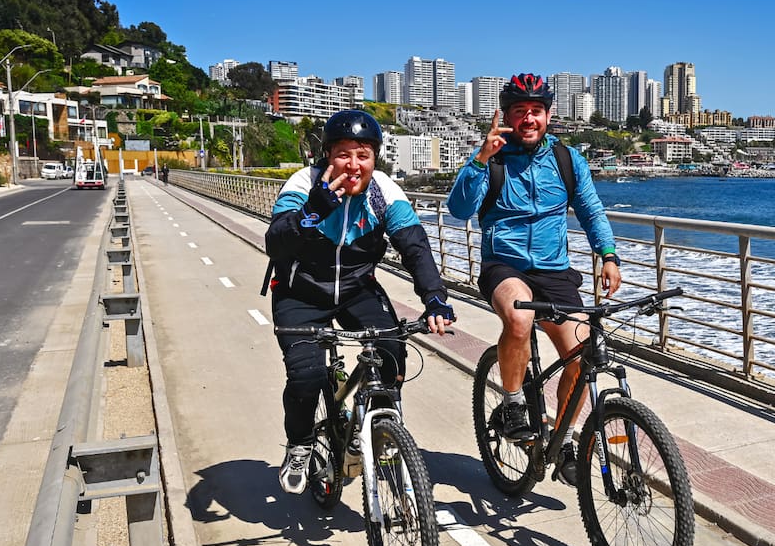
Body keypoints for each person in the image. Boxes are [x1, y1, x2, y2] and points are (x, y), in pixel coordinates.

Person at [265, 109, 455, 494]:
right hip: (300, 292)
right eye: (344, 154)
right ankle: (300, 444)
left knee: (391, 348)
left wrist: (434, 299)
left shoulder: (383, 191)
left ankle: (379, 427)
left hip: (356, 289)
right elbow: (275, 240)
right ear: (328, 156)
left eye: (363, 155)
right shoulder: (304, 184)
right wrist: (311, 213)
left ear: (375, 159)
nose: (353, 165)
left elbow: (414, 245)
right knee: (306, 375)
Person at [447, 73, 621, 486]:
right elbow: (458, 210)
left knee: (583, 353)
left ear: (548, 115)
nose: (529, 119)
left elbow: (592, 211)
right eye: (520, 112)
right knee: (520, 319)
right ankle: (511, 403)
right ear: (505, 115)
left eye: (536, 112)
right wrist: (479, 160)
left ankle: (561, 442)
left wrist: (608, 255)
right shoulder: (492, 158)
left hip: (554, 269)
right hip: (503, 266)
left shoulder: (567, 160)